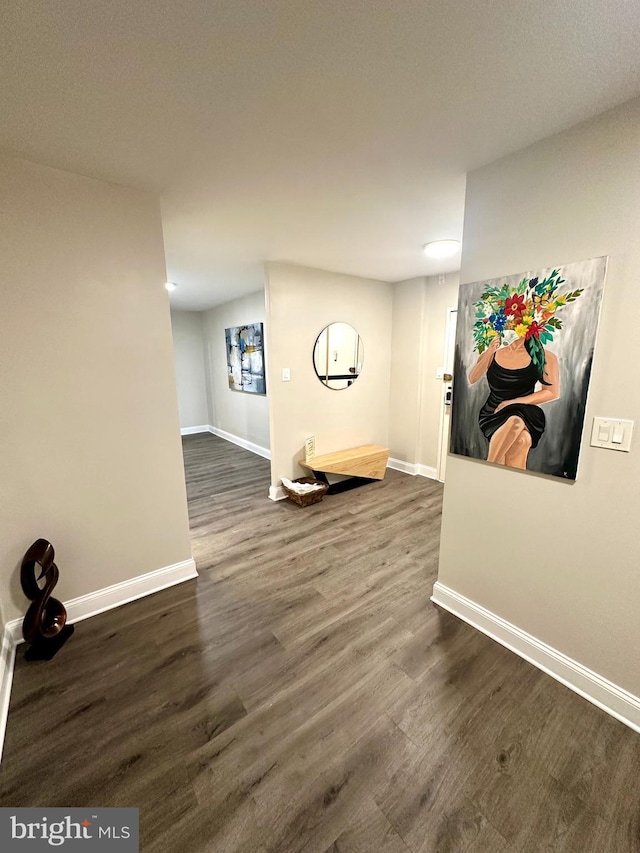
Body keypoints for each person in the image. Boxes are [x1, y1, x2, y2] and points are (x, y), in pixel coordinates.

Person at [469, 332, 559, 469]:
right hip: (494, 412)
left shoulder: (544, 356)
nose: (510, 327)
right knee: (523, 440)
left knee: (515, 420)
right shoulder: (493, 354)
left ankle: (487, 468)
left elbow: (551, 392)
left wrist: (513, 402)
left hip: (524, 410)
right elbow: (472, 378)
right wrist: (490, 350)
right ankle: (507, 484)